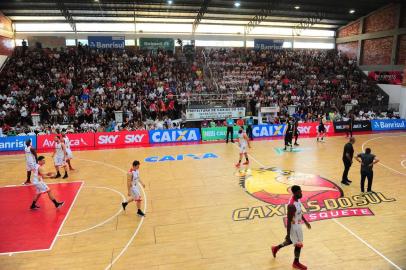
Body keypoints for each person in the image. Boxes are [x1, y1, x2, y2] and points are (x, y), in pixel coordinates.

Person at [271, 185, 311, 270]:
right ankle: (296, 263)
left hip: (298, 225)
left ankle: (276, 248)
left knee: (290, 241)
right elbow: (288, 221)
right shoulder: (291, 205)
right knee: (298, 244)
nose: (301, 193)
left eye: (301, 191)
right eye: (299, 192)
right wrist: (288, 234)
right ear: (295, 193)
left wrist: (306, 221)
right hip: (294, 227)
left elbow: (299, 213)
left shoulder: (298, 200)